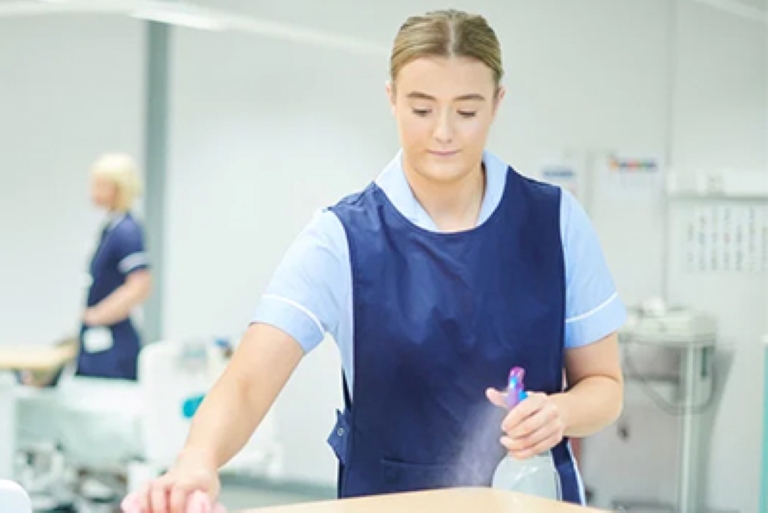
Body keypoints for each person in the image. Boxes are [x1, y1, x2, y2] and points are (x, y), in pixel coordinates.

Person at [136, 9, 624, 512]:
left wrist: (560, 412)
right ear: (391, 98)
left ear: (498, 103)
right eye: (421, 109)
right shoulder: (342, 238)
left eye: (467, 110)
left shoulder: (554, 222)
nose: (443, 132)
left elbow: (605, 387)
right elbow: (247, 381)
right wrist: (197, 458)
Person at [76, 152, 152, 381]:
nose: (93, 191)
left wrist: (97, 316)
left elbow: (140, 285)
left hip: (113, 345)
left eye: (100, 185)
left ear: (118, 188)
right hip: (98, 341)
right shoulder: (111, 227)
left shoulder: (126, 231)